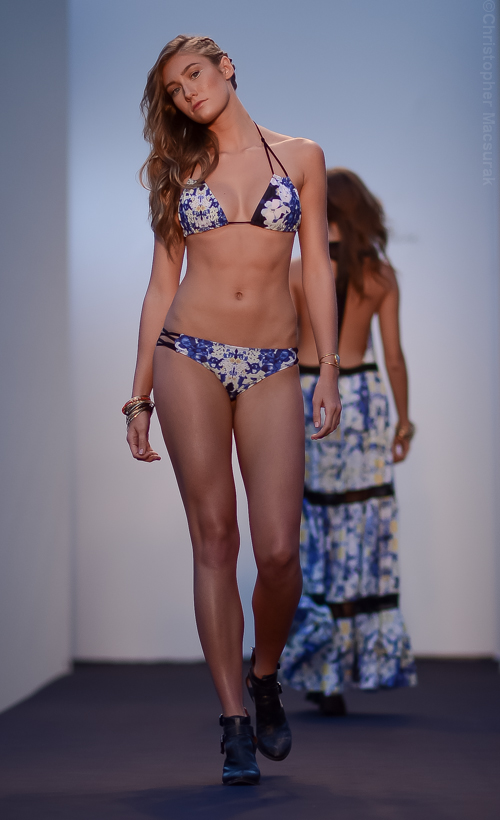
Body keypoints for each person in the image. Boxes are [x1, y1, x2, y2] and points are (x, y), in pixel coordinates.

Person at [123, 35, 341, 784]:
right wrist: (138, 394)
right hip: (189, 354)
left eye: (195, 74)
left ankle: (265, 674)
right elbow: (161, 285)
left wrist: (328, 369)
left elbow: (317, 267)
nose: (188, 92)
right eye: (174, 88)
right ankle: (233, 723)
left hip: (275, 362)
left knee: (278, 551)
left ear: (227, 67)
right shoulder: (176, 169)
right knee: (214, 539)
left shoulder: (301, 157)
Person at [281, 169, 417, 716]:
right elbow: (394, 358)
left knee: (313, 523)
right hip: (363, 399)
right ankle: (361, 660)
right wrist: (403, 423)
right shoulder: (380, 275)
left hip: (309, 395)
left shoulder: (297, 272)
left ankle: (322, 668)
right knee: (360, 523)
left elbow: (283, 343)